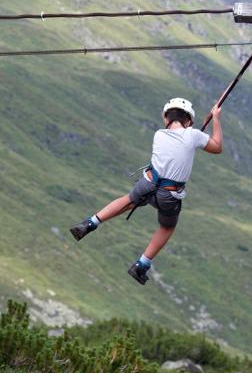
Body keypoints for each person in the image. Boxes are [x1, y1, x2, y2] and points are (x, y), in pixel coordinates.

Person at [70, 98, 223, 285]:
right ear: (189, 121)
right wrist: (215, 118)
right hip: (169, 194)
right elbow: (217, 147)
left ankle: (90, 223)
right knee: (167, 227)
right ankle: (141, 265)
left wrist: (195, 133)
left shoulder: (159, 134)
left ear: (166, 118)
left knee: (129, 200)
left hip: (149, 183)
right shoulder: (194, 135)